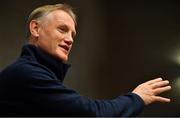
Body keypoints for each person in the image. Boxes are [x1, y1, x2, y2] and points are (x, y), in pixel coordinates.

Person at [0, 3, 171, 117]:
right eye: (62, 29)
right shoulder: (26, 74)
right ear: (35, 28)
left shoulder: (33, 73)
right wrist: (137, 98)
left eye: (72, 34)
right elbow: (93, 114)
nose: (70, 39)